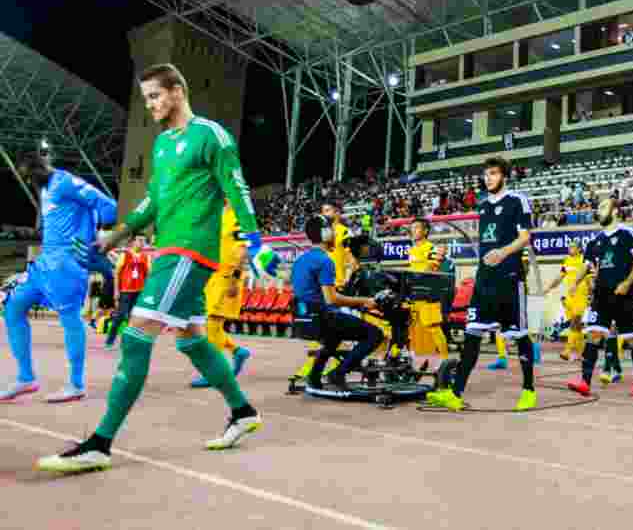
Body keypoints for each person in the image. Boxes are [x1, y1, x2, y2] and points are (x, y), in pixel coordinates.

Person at [36, 63, 279, 473]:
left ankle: (100, 443)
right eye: (146, 97)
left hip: (190, 251)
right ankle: (243, 412)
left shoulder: (210, 135)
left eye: (155, 96)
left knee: (134, 338)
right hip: (169, 250)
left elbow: (236, 186)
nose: (149, 104)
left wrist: (255, 242)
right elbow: (154, 200)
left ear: (177, 91)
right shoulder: (164, 145)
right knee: (192, 341)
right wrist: (116, 235)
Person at [2, 149, 117, 404]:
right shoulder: (45, 188)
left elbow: (108, 206)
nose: (30, 181)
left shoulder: (66, 182)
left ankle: (76, 384)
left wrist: (99, 236)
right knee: (12, 308)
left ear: (40, 168)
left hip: (67, 262)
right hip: (44, 263)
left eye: (31, 176)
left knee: (69, 318)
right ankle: (25, 377)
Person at [426, 156, 536, 412]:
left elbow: (525, 237)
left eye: (494, 174)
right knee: (472, 333)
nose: (489, 178)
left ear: (504, 176)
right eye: (486, 174)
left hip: (509, 278)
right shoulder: (484, 206)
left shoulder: (517, 200)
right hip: (484, 280)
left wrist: (503, 252)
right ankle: (455, 393)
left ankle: (529, 390)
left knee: (518, 336)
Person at [567, 199, 633, 397]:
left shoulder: (627, 233)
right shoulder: (595, 241)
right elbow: (586, 265)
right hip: (601, 296)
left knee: (632, 340)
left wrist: (627, 283)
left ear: (615, 211)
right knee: (593, 335)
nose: (599, 210)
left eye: (603, 207)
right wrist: (575, 283)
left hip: (624, 295)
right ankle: (585, 382)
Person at [300, 222, 386, 394]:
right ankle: (339, 373)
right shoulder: (325, 261)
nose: (336, 237)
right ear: (325, 235)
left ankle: (314, 376)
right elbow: (331, 298)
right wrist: (364, 301)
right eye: (332, 233)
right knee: (375, 334)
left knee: (335, 336)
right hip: (324, 316)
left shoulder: (301, 260)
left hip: (305, 319)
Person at [190, 202, 252, 388]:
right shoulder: (218, 214)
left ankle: (214, 373)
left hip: (227, 277)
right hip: (212, 276)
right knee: (210, 326)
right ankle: (237, 351)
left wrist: (235, 278)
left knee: (212, 325)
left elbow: (243, 250)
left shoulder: (239, 216)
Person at [407, 218, 448, 370]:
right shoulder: (411, 250)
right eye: (412, 228)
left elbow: (432, 269)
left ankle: (445, 362)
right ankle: (422, 360)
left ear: (425, 231)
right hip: (415, 294)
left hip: (429, 295)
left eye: (417, 227)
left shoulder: (432, 249)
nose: (413, 230)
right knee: (416, 330)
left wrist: (417, 278)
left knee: (433, 328)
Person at [544, 240, 591, 362]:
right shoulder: (567, 261)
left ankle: (568, 350)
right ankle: (582, 353)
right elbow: (559, 277)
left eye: (573, 247)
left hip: (581, 295)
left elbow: (591, 280)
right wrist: (549, 287)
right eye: (569, 247)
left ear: (579, 249)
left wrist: (592, 294)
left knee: (575, 322)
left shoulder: (585, 260)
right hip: (570, 297)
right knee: (578, 326)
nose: (570, 249)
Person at [106, 236, 150, 350]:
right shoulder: (125, 255)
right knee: (120, 316)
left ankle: (129, 343)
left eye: (144, 241)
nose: (142, 243)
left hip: (139, 291)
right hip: (126, 291)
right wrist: (116, 290)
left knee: (134, 319)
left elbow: (148, 275)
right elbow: (117, 273)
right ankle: (110, 340)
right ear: (133, 242)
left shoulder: (146, 257)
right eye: (139, 240)